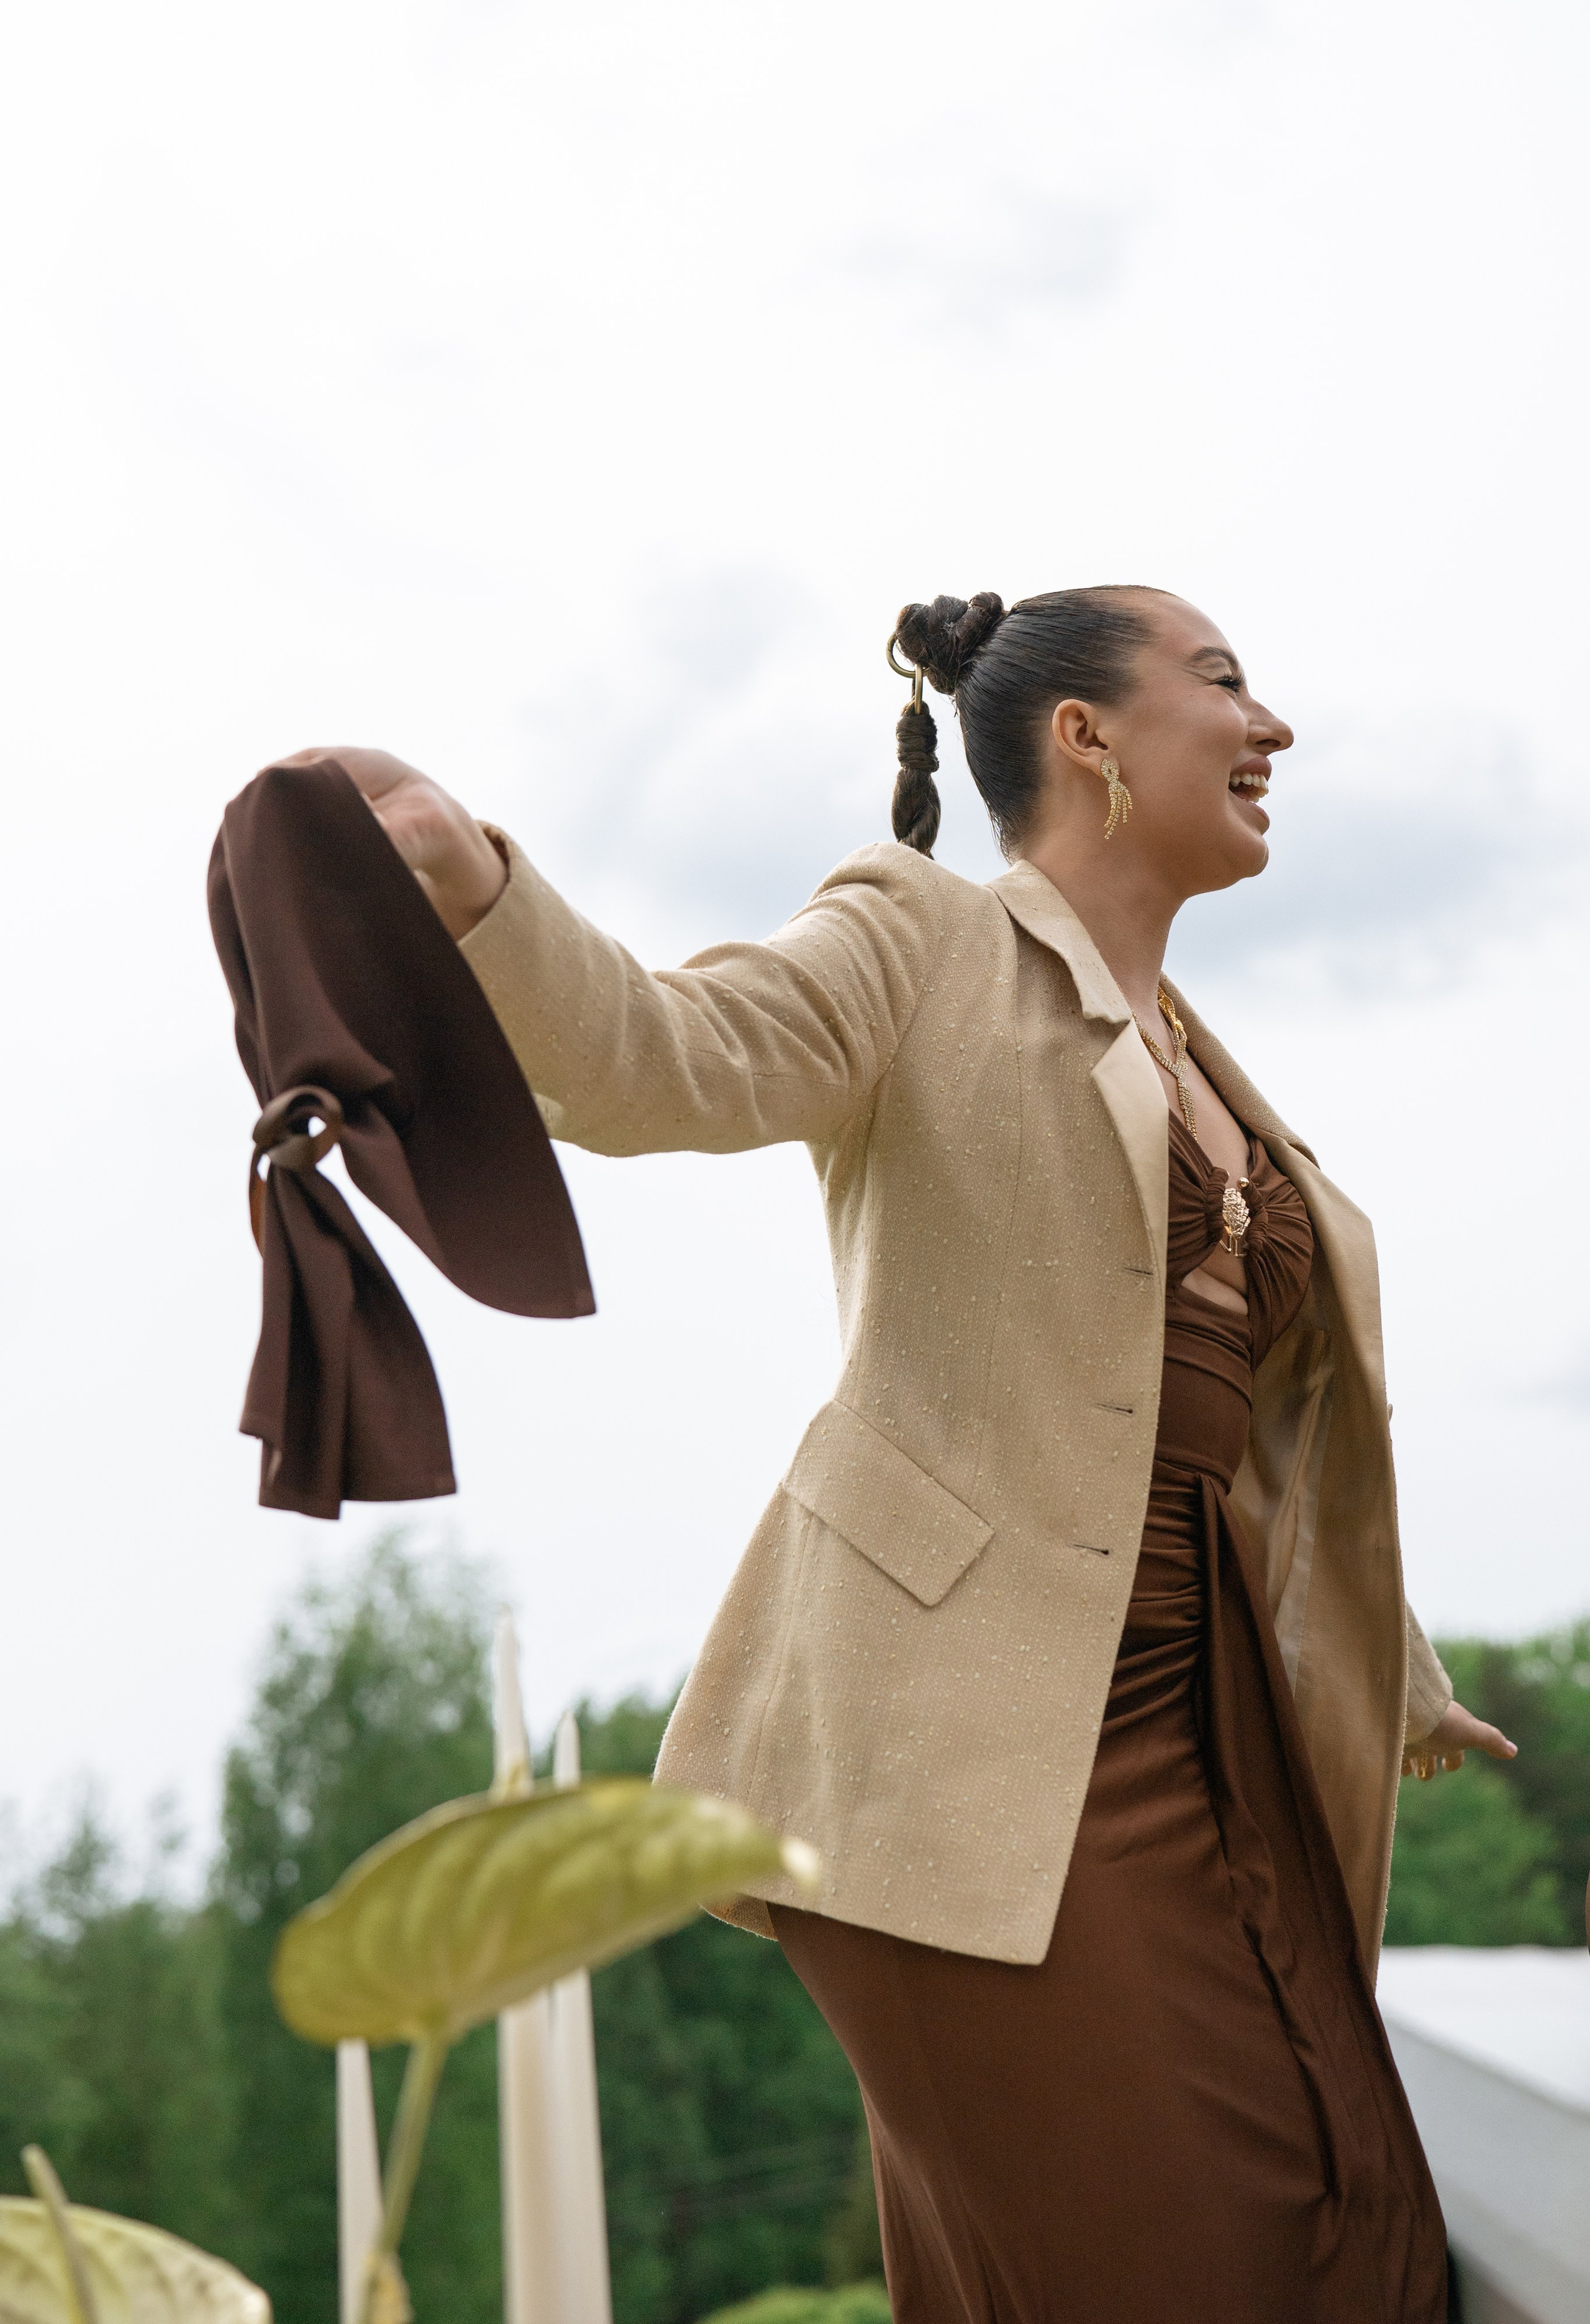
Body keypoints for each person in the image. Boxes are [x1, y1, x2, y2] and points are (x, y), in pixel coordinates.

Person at [291, 585, 1516, 2322]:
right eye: (1228, 685)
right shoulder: (918, 939)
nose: (1274, 728)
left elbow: (1234, 1436)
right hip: (965, 1761)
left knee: (1339, 2229)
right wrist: (469, 881)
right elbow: (662, 1058)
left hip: (1206, 1738)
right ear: (1085, 738)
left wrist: (1391, 1667)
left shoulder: (1213, 1075)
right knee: (1209, 2269)